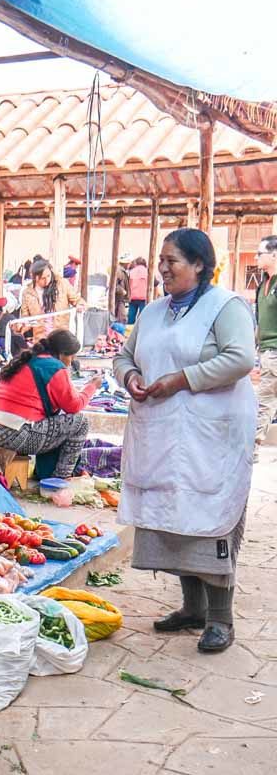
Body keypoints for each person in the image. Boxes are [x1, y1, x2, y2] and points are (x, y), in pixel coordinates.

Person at [114, 228, 256, 654]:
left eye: (171, 260)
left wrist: (182, 380)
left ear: (199, 264)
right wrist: (131, 376)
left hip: (212, 437)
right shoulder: (153, 312)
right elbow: (124, 356)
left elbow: (240, 358)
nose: (162, 268)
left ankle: (219, 619)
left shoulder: (223, 306)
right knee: (173, 519)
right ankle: (191, 609)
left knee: (209, 518)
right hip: (162, 432)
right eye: (160, 260)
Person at [0, 329, 101, 479]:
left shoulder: (28, 360)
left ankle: (47, 473)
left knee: (58, 419)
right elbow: (74, 405)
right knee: (80, 422)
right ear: (62, 353)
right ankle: (60, 478)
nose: (72, 361)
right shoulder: (54, 367)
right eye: (71, 356)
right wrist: (92, 387)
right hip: (12, 434)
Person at [20, 258, 85, 338]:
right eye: (43, 278)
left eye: (48, 276)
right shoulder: (27, 293)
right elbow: (25, 317)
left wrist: (80, 305)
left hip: (60, 335)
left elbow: (77, 300)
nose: (47, 280)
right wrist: (24, 325)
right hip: (40, 338)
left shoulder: (62, 284)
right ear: (35, 278)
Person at [255, 235, 277, 453]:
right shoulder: (262, 284)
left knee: (265, 401)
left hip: (275, 352)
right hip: (265, 351)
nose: (256, 257)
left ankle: (251, 447)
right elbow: (260, 320)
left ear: (274, 255)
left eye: (260, 253)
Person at [126, 256, 151, 324]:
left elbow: (127, 284)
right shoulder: (148, 272)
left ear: (136, 263)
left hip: (133, 297)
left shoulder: (131, 272)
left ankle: (129, 331)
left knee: (131, 317)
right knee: (143, 317)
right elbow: (155, 283)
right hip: (144, 297)